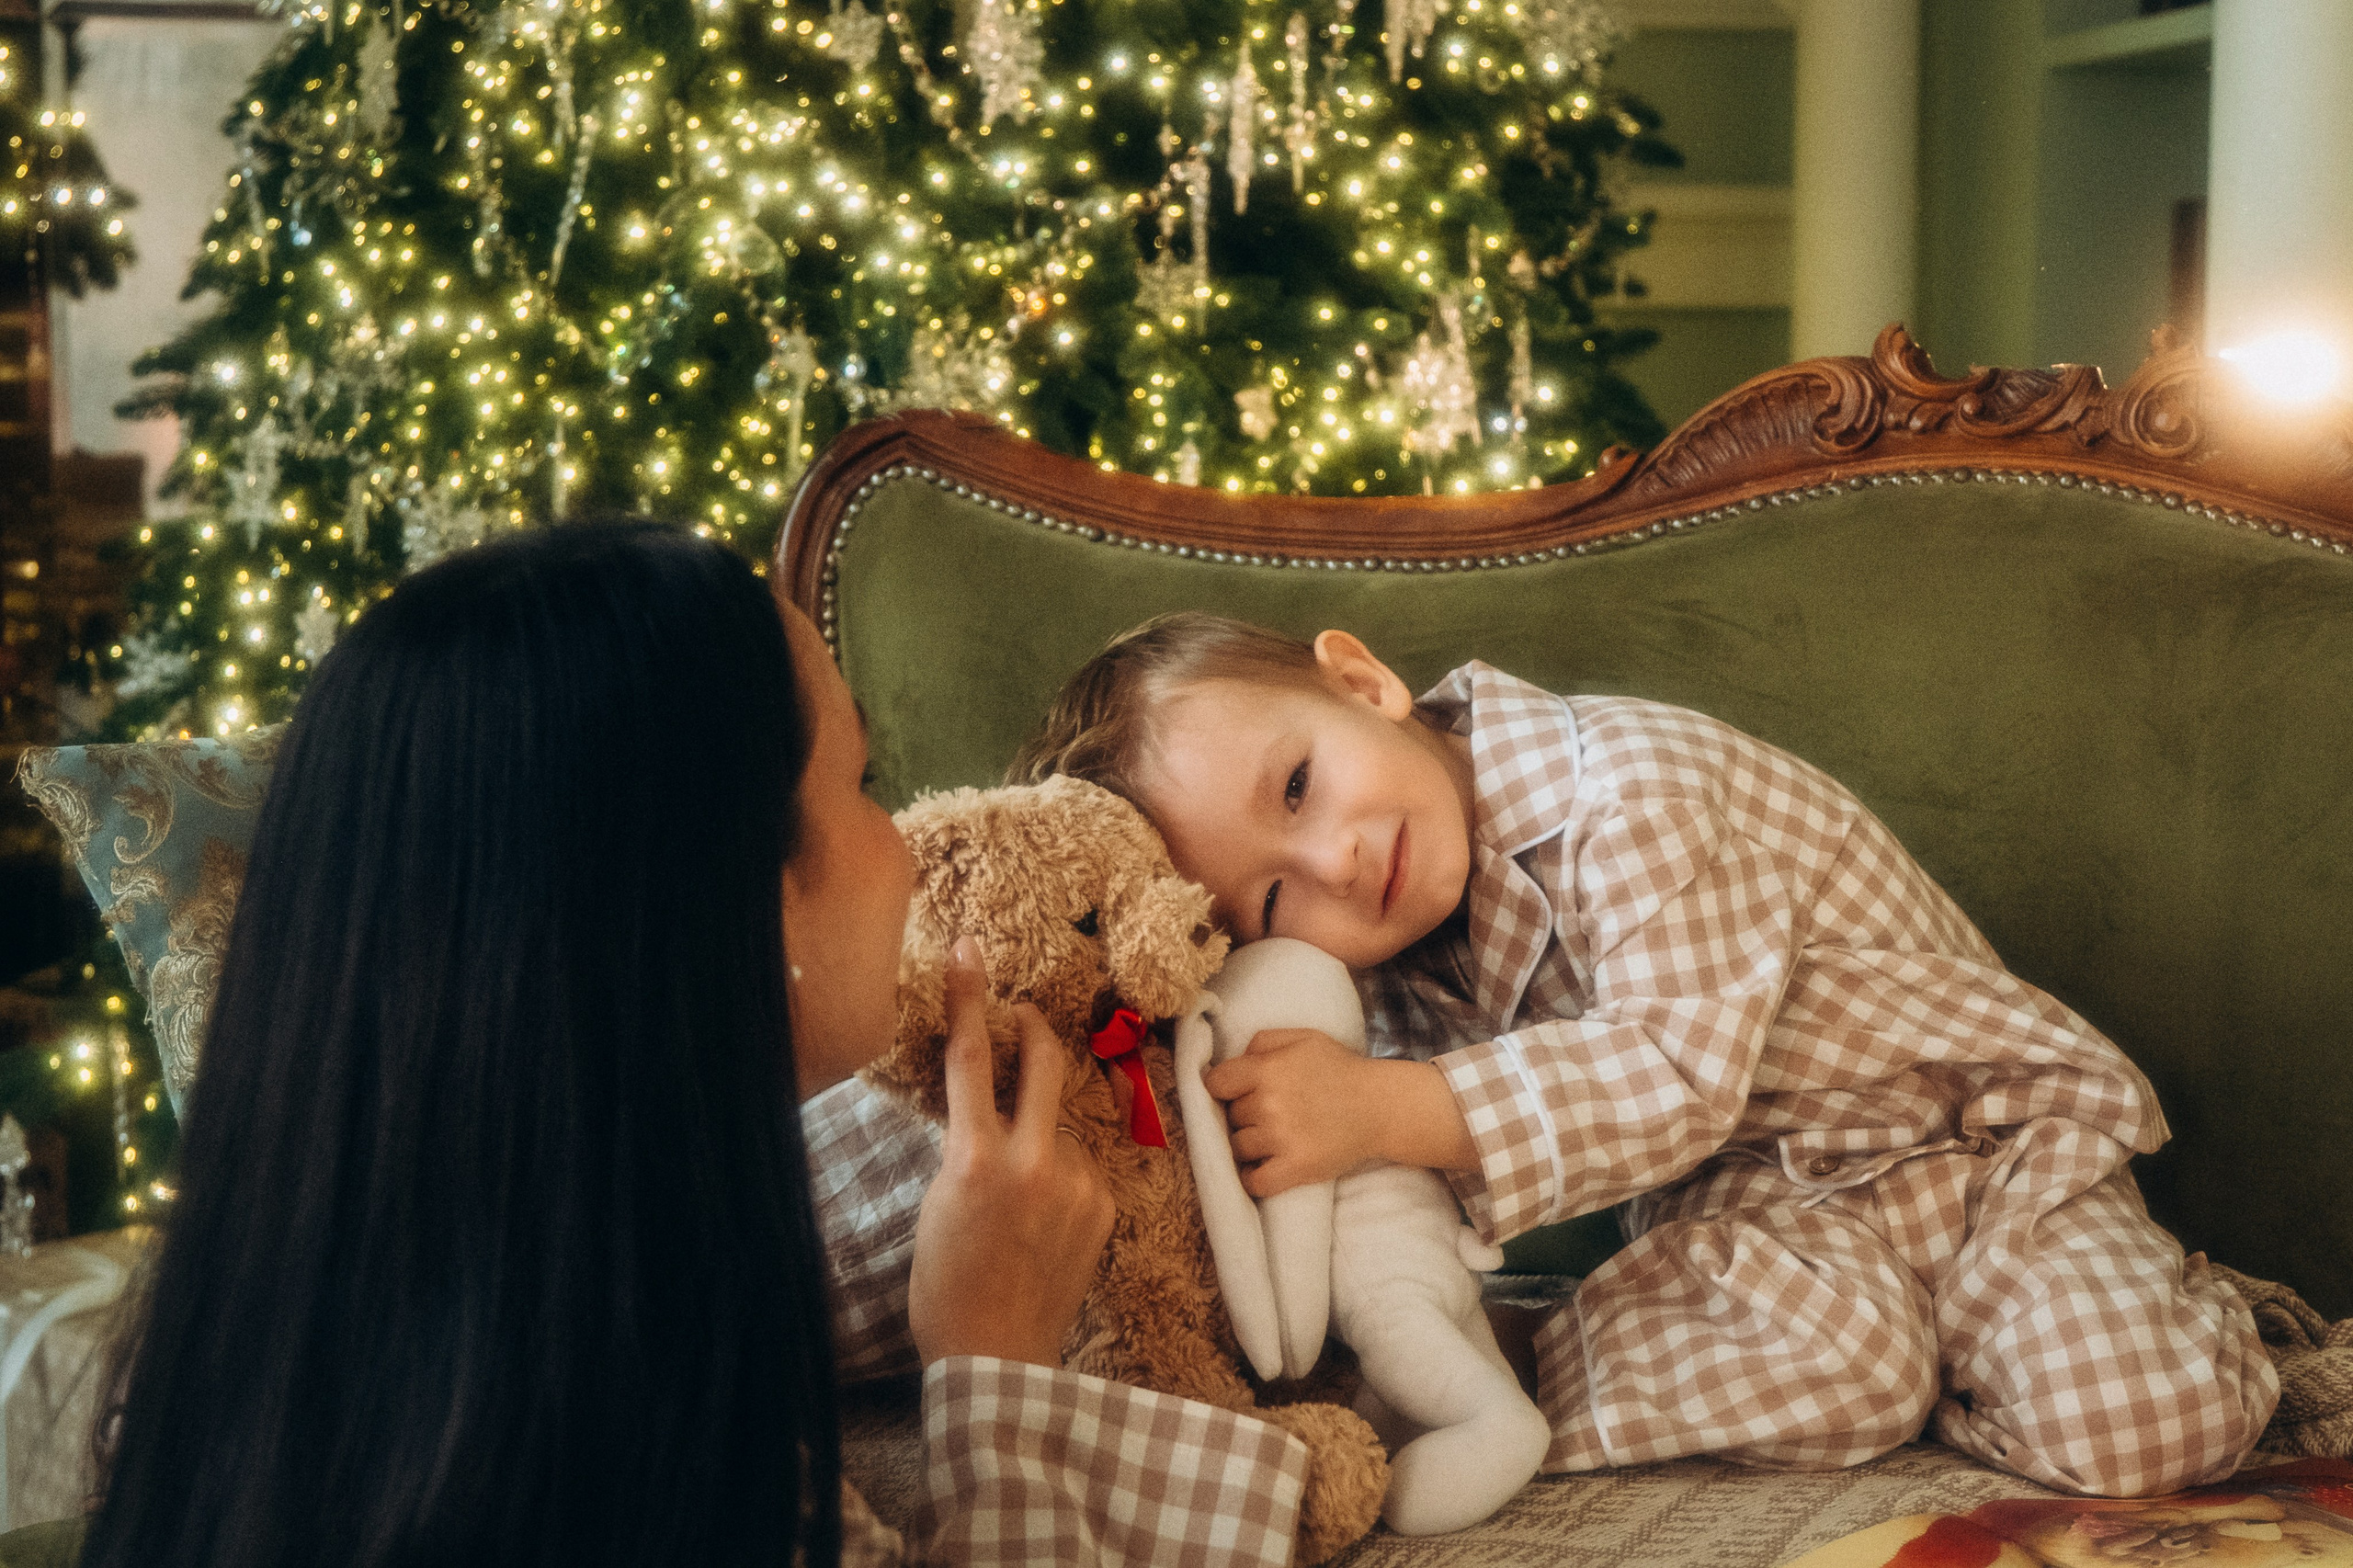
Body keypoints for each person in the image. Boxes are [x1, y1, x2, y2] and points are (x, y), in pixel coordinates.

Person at [33, 528, 1312, 1568]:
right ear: (744, 915)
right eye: (863, 785)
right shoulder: (643, 1469)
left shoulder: (312, 1346)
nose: (905, 846)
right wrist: (992, 1362)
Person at [990, 610, 2278, 1499]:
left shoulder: (1629, 790)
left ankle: (2118, 1314)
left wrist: (1386, 1105)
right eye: (1273, 903)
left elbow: (1673, 1070)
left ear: (1363, 682)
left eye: (1299, 786)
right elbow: (1398, 1192)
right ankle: (1484, 1389)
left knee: (2146, 1416)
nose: (1332, 862)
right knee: (1850, 1362)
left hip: (1975, 1145)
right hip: (1758, 1203)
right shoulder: (1389, 958)